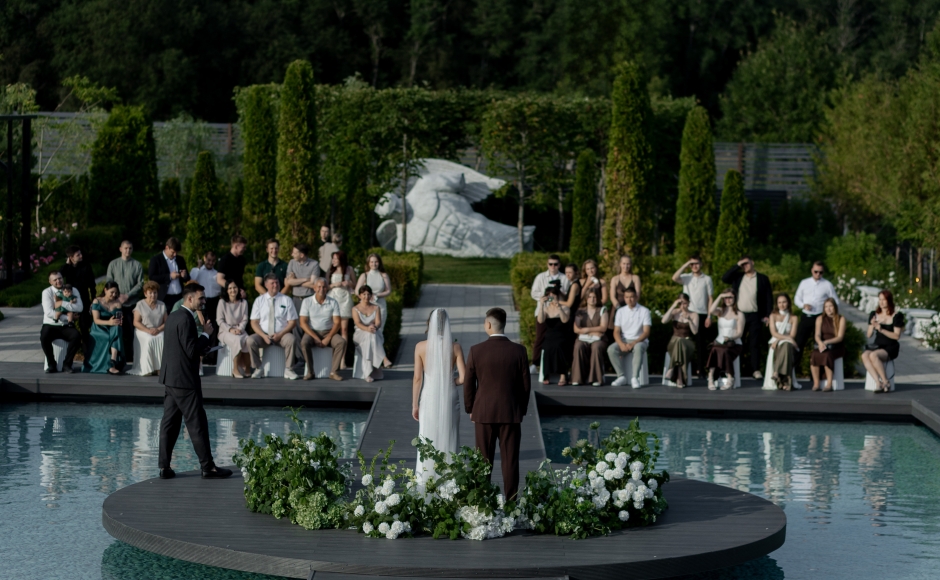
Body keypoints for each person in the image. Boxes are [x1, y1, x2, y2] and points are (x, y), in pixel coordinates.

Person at [157, 283, 232, 480]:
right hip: (185, 380)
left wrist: (201, 346)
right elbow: (191, 351)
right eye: (201, 298)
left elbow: (181, 347)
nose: (204, 301)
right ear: (190, 299)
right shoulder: (186, 319)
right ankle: (208, 467)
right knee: (197, 422)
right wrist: (206, 334)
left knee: (169, 424)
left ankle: (164, 467)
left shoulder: (173, 316)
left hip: (170, 378)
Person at [463, 307, 531, 500]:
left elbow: (468, 384)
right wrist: (521, 409)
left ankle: (483, 502)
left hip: (483, 412)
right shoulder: (519, 351)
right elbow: (526, 385)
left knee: (483, 461)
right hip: (511, 412)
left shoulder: (476, 351)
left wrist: (470, 408)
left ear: (489, 324)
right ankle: (511, 503)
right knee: (510, 461)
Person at [412, 309, 467, 482]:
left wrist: (415, 404)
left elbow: (417, 378)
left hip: (429, 395)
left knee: (427, 434)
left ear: (429, 324)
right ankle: (450, 479)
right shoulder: (455, 347)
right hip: (449, 394)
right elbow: (464, 378)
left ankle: (426, 479)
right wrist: (451, 381)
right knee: (450, 432)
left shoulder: (420, 347)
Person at [721, 256, 773, 379]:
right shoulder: (738, 277)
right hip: (739, 315)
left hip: (755, 315)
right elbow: (724, 278)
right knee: (737, 342)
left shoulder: (762, 278)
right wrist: (737, 265)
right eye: (742, 264)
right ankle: (735, 369)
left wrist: (768, 314)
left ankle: (755, 370)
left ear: (752, 262)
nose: (745, 266)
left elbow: (768, 298)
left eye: (746, 263)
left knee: (754, 344)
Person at [248, 274, 300, 380]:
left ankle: (289, 369)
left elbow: (292, 322)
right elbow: (254, 322)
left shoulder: (286, 300)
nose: (275, 285)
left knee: (292, 339)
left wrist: (280, 334)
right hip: (263, 335)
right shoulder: (259, 300)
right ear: (266, 285)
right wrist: (263, 336)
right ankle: (258, 368)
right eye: (272, 283)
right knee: (250, 340)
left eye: (277, 283)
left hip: (282, 335)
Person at [672, 254, 713, 377]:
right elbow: (674, 277)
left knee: (700, 344)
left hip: (702, 314)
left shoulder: (707, 279)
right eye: (692, 264)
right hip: (687, 312)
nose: (695, 266)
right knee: (684, 340)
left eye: (697, 263)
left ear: (701, 264)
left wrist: (709, 316)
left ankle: (700, 370)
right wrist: (686, 264)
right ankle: (683, 369)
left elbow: (710, 298)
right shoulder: (686, 277)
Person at [528, 254, 570, 372]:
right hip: (543, 310)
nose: (553, 266)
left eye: (555, 264)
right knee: (540, 337)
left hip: (558, 313)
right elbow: (533, 293)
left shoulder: (564, 278)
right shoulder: (540, 277)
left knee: (558, 339)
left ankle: (559, 366)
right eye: (550, 264)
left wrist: (558, 292)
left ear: (559, 265)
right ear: (547, 264)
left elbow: (566, 294)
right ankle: (535, 363)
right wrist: (545, 297)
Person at [298, 277, 345, 381]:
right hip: (311, 332)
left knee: (341, 342)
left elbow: (337, 323)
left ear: (327, 288)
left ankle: (334, 372)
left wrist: (328, 338)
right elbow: (303, 323)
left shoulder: (333, 302)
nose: (321, 289)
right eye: (319, 287)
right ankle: (310, 372)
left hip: (328, 331)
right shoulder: (307, 301)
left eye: (324, 287)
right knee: (304, 343)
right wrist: (315, 337)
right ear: (314, 288)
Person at [794, 261, 838, 367]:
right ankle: (793, 369)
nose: (818, 274)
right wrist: (803, 305)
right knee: (799, 343)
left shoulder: (827, 284)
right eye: (816, 272)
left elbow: (835, 301)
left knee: (819, 344)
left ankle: (818, 372)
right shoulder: (804, 283)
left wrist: (831, 313)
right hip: (807, 316)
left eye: (821, 272)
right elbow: (797, 298)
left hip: (820, 317)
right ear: (812, 271)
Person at [106, 240, 144, 364]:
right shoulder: (113, 264)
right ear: (120, 249)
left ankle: (132, 357)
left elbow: (140, 283)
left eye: (130, 248)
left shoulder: (137, 265)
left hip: (132, 303)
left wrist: (128, 295)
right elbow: (109, 281)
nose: (128, 250)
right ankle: (117, 356)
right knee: (118, 330)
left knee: (132, 331)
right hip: (116, 303)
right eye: (126, 248)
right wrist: (117, 296)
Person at [607, 287, 652, 389]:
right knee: (611, 349)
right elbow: (616, 331)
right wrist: (621, 344)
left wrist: (633, 343)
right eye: (627, 297)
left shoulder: (644, 311)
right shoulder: (620, 311)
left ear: (636, 297)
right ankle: (621, 376)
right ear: (624, 298)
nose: (629, 299)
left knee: (638, 347)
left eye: (631, 297)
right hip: (624, 340)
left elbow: (646, 332)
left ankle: (635, 378)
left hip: (640, 340)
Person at [40, 271, 83, 373]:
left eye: (60, 278)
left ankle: (67, 364)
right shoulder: (47, 292)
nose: (58, 281)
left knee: (76, 336)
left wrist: (62, 302)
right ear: (50, 282)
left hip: (66, 325)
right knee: (44, 337)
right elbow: (49, 312)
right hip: (51, 324)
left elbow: (79, 308)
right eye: (55, 280)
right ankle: (51, 364)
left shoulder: (73, 290)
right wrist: (67, 317)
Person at [862, 290, 903, 393]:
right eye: (880, 299)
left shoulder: (896, 316)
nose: (881, 302)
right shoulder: (874, 314)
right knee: (864, 355)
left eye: (884, 300)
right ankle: (878, 382)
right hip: (878, 345)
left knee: (873, 355)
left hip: (891, 346)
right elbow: (869, 335)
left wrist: (881, 330)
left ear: (889, 301)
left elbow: (896, 336)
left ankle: (886, 381)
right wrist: (872, 325)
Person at [705, 289, 745, 391]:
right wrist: (720, 296)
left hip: (734, 343)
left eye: (730, 297)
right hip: (720, 342)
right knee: (714, 349)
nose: (728, 300)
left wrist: (731, 338)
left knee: (725, 350)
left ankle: (730, 378)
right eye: (726, 297)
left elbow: (740, 333)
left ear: (735, 298)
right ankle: (710, 377)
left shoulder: (739, 314)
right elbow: (711, 310)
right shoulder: (720, 311)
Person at [83, 281, 126, 375]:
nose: (114, 295)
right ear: (105, 290)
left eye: (116, 293)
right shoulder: (97, 301)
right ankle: (111, 365)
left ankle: (113, 360)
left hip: (112, 327)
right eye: (112, 292)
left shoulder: (117, 303)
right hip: (99, 327)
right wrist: (109, 322)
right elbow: (96, 320)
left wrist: (119, 320)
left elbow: (118, 318)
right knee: (107, 336)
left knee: (118, 329)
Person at [60, 245, 96, 352]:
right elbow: (59, 276)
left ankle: (86, 352)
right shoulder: (67, 268)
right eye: (78, 255)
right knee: (70, 326)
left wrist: (93, 298)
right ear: (71, 257)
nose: (81, 256)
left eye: (80, 254)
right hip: (70, 300)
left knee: (84, 326)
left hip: (84, 299)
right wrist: (67, 264)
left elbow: (92, 284)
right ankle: (72, 350)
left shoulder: (86, 266)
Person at [571, 286, 609, 386]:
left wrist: (586, 330)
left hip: (599, 339)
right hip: (583, 339)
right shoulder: (580, 311)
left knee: (596, 347)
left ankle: (596, 378)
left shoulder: (603, 310)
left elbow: (603, 328)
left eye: (594, 297)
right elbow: (576, 329)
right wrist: (593, 331)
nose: (592, 299)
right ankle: (577, 378)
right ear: (586, 298)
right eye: (590, 297)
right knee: (578, 346)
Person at [662, 293, 699, 388]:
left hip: (687, 342)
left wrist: (689, 320)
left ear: (689, 303)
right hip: (674, 342)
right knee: (678, 342)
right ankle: (680, 379)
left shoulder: (694, 315)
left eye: (685, 303)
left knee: (680, 342)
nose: (682, 306)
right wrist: (673, 306)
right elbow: (663, 321)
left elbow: (695, 332)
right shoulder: (675, 312)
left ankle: (671, 369)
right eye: (680, 303)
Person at [130, 281, 167, 376]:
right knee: (149, 339)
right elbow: (136, 322)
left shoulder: (162, 305)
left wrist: (158, 329)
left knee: (162, 338)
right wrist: (148, 330)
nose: (153, 295)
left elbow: (166, 322)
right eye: (150, 293)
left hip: (158, 330)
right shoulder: (140, 304)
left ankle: (159, 368)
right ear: (145, 294)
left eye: (155, 292)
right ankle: (147, 368)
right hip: (143, 330)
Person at [537, 286, 572, 386]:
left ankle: (563, 374)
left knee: (559, 347)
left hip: (561, 335)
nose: (551, 297)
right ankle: (547, 374)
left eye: (553, 295)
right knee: (547, 347)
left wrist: (558, 307)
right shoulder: (546, 309)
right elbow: (540, 320)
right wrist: (541, 305)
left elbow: (565, 320)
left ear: (558, 296)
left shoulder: (565, 308)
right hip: (549, 335)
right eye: (549, 295)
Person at [352, 285, 388, 382]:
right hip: (360, 333)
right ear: (360, 295)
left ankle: (367, 374)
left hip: (374, 332)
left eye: (368, 294)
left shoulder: (376, 307)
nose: (366, 296)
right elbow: (358, 323)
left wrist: (374, 327)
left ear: (371, 295)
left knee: (371, 336)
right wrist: (367, 328)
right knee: (370, 335)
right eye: (364, 294)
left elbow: (378, 323)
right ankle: (384, 358)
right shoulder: (355, 309)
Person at [217, 279, 251, 379]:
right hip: (225, 331)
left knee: (248, 340)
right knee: (237, 340)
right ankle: (235, 369)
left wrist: (240, 329)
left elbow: (245, 319)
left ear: (238, 289)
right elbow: (219, 320)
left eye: (235, 287)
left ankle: (247, 368)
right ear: (227, 290)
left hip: (240, 330)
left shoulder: (243, 302)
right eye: (230, 288)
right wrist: (230, 329)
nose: (233, 290)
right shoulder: (222, 302)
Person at [810, 297, 846, 392]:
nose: (828, 309)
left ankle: (829, 383)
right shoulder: (820, 319)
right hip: (823, 344)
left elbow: (840, 337)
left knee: (827, 355)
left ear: (835, 307)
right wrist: (820, 342)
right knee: (814, 354)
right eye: (826, 307)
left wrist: (826, 342)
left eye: (830, 306)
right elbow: (817, 334)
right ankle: (816, 383)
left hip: (836, 345)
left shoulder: (841, 319)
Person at [328, 250, 357, 367]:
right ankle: (332, 357)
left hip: (345, 299)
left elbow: (355, 285)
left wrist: (348, 283)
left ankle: (342, 359)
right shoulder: (330, 270)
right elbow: (325, 286)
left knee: (344, 330)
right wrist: (335, 284)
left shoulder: (349, 269)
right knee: (332, 329)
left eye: (336, 258)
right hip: (333, 298)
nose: (334, 261)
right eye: (333, 258)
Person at [767, 293, 799, 390]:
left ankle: (777, 372)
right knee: (787, 344)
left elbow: (792, 335)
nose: (782, 305)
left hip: (786, 342)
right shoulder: (773, 316)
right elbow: (773, 333)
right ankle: (786, 381)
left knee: (786, 345)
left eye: (784, 302)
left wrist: (785, 339)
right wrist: (779, 340)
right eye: (779, 302)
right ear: (777, 304)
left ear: (788, 303)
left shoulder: (794, 318)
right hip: (774, 342)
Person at [148, 237, 189, 310]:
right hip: (164, 298)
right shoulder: (156, 259)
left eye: (176, 252)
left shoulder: (180, 259)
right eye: (173, 252)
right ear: (167, 247)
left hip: (179, 297)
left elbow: (187, 277)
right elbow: (152, 277)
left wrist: (184, 275)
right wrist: (169, 276)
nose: (175, 254)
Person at [356, 253, 393, 332]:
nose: (374, 264)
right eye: (372, 262)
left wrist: (377, 295)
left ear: (379, 263)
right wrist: (366, 296)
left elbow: (388, 290)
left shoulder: (384, 275)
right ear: (368, 263)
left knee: (379, 330)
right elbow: (357, 291)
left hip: (380, 305)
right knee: (366, 330)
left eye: (376, 262)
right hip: (366, 307)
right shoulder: (364, 275)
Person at [284, 242, 321, 316]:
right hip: (296, 299)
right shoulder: (292, 262)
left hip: (309, 298)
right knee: (296, 321)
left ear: (301, 255)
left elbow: (313, 283)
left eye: (294, 253)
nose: (292, 254)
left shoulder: (314, 264)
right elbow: (289, 282)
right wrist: (305, 279)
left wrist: (296, 281)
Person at [190, 251, 223, 324]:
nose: (211, 263)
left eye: (213, 261)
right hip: (202, 301)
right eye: (209, 260)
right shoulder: (197, 271)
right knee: (203, 323)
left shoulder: (217, 273)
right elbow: (192, 280)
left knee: (214, 323)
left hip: (215, 301)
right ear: (204, 258)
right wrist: (198, 267)